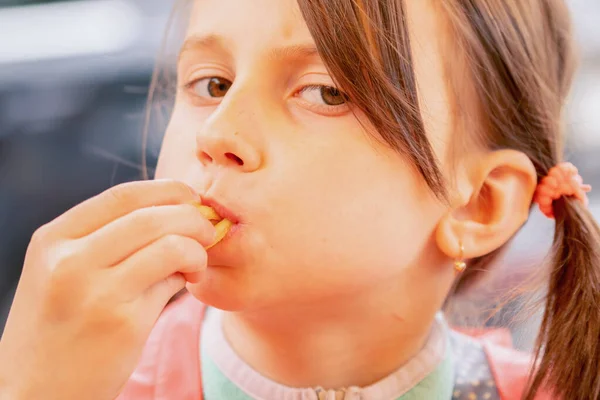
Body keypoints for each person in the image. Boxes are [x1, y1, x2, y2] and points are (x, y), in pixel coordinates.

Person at [1, 0, 599, 399]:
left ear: (479, 206)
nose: (217, 136)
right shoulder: (87, 383)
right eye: (212, 84)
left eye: (325, 92)